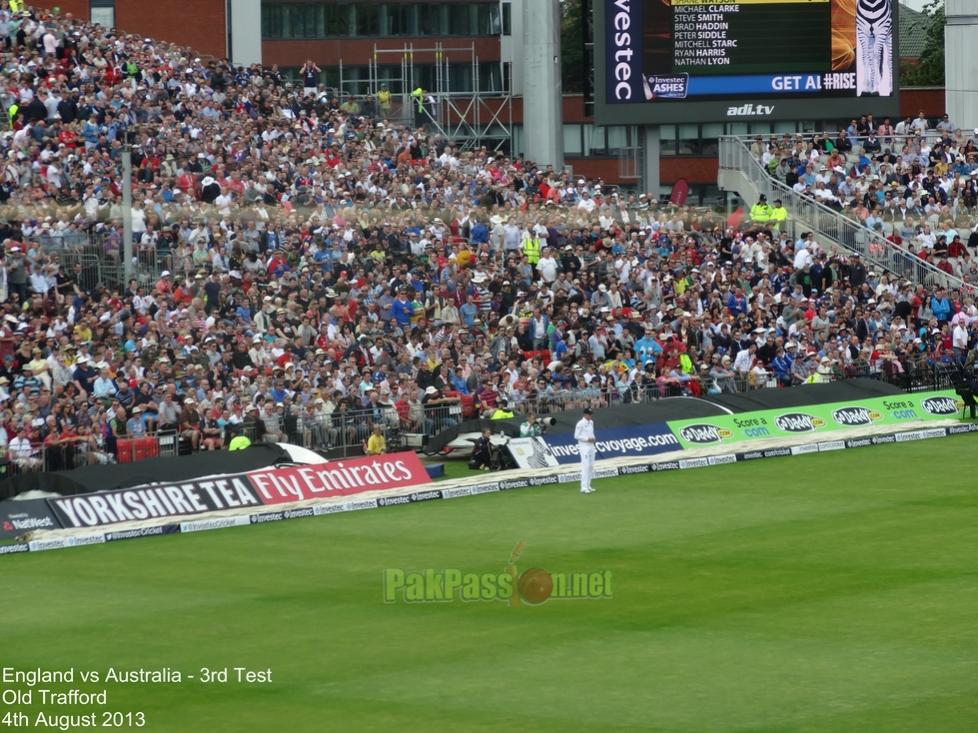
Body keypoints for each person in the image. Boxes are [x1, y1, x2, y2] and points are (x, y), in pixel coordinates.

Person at [574, 407, 597, 494]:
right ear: (585, 414)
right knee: (585, 466)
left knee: (591, 466)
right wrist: (587, 439)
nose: (591, 416)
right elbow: (576, 436)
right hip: (584, 447)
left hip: (591, 446)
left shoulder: (591, 422)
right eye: (589, 414)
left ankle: (588, 485)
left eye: (591, 414)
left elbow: (592, 433)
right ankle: (583, 487)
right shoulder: (580, 423)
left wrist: (593, 439)